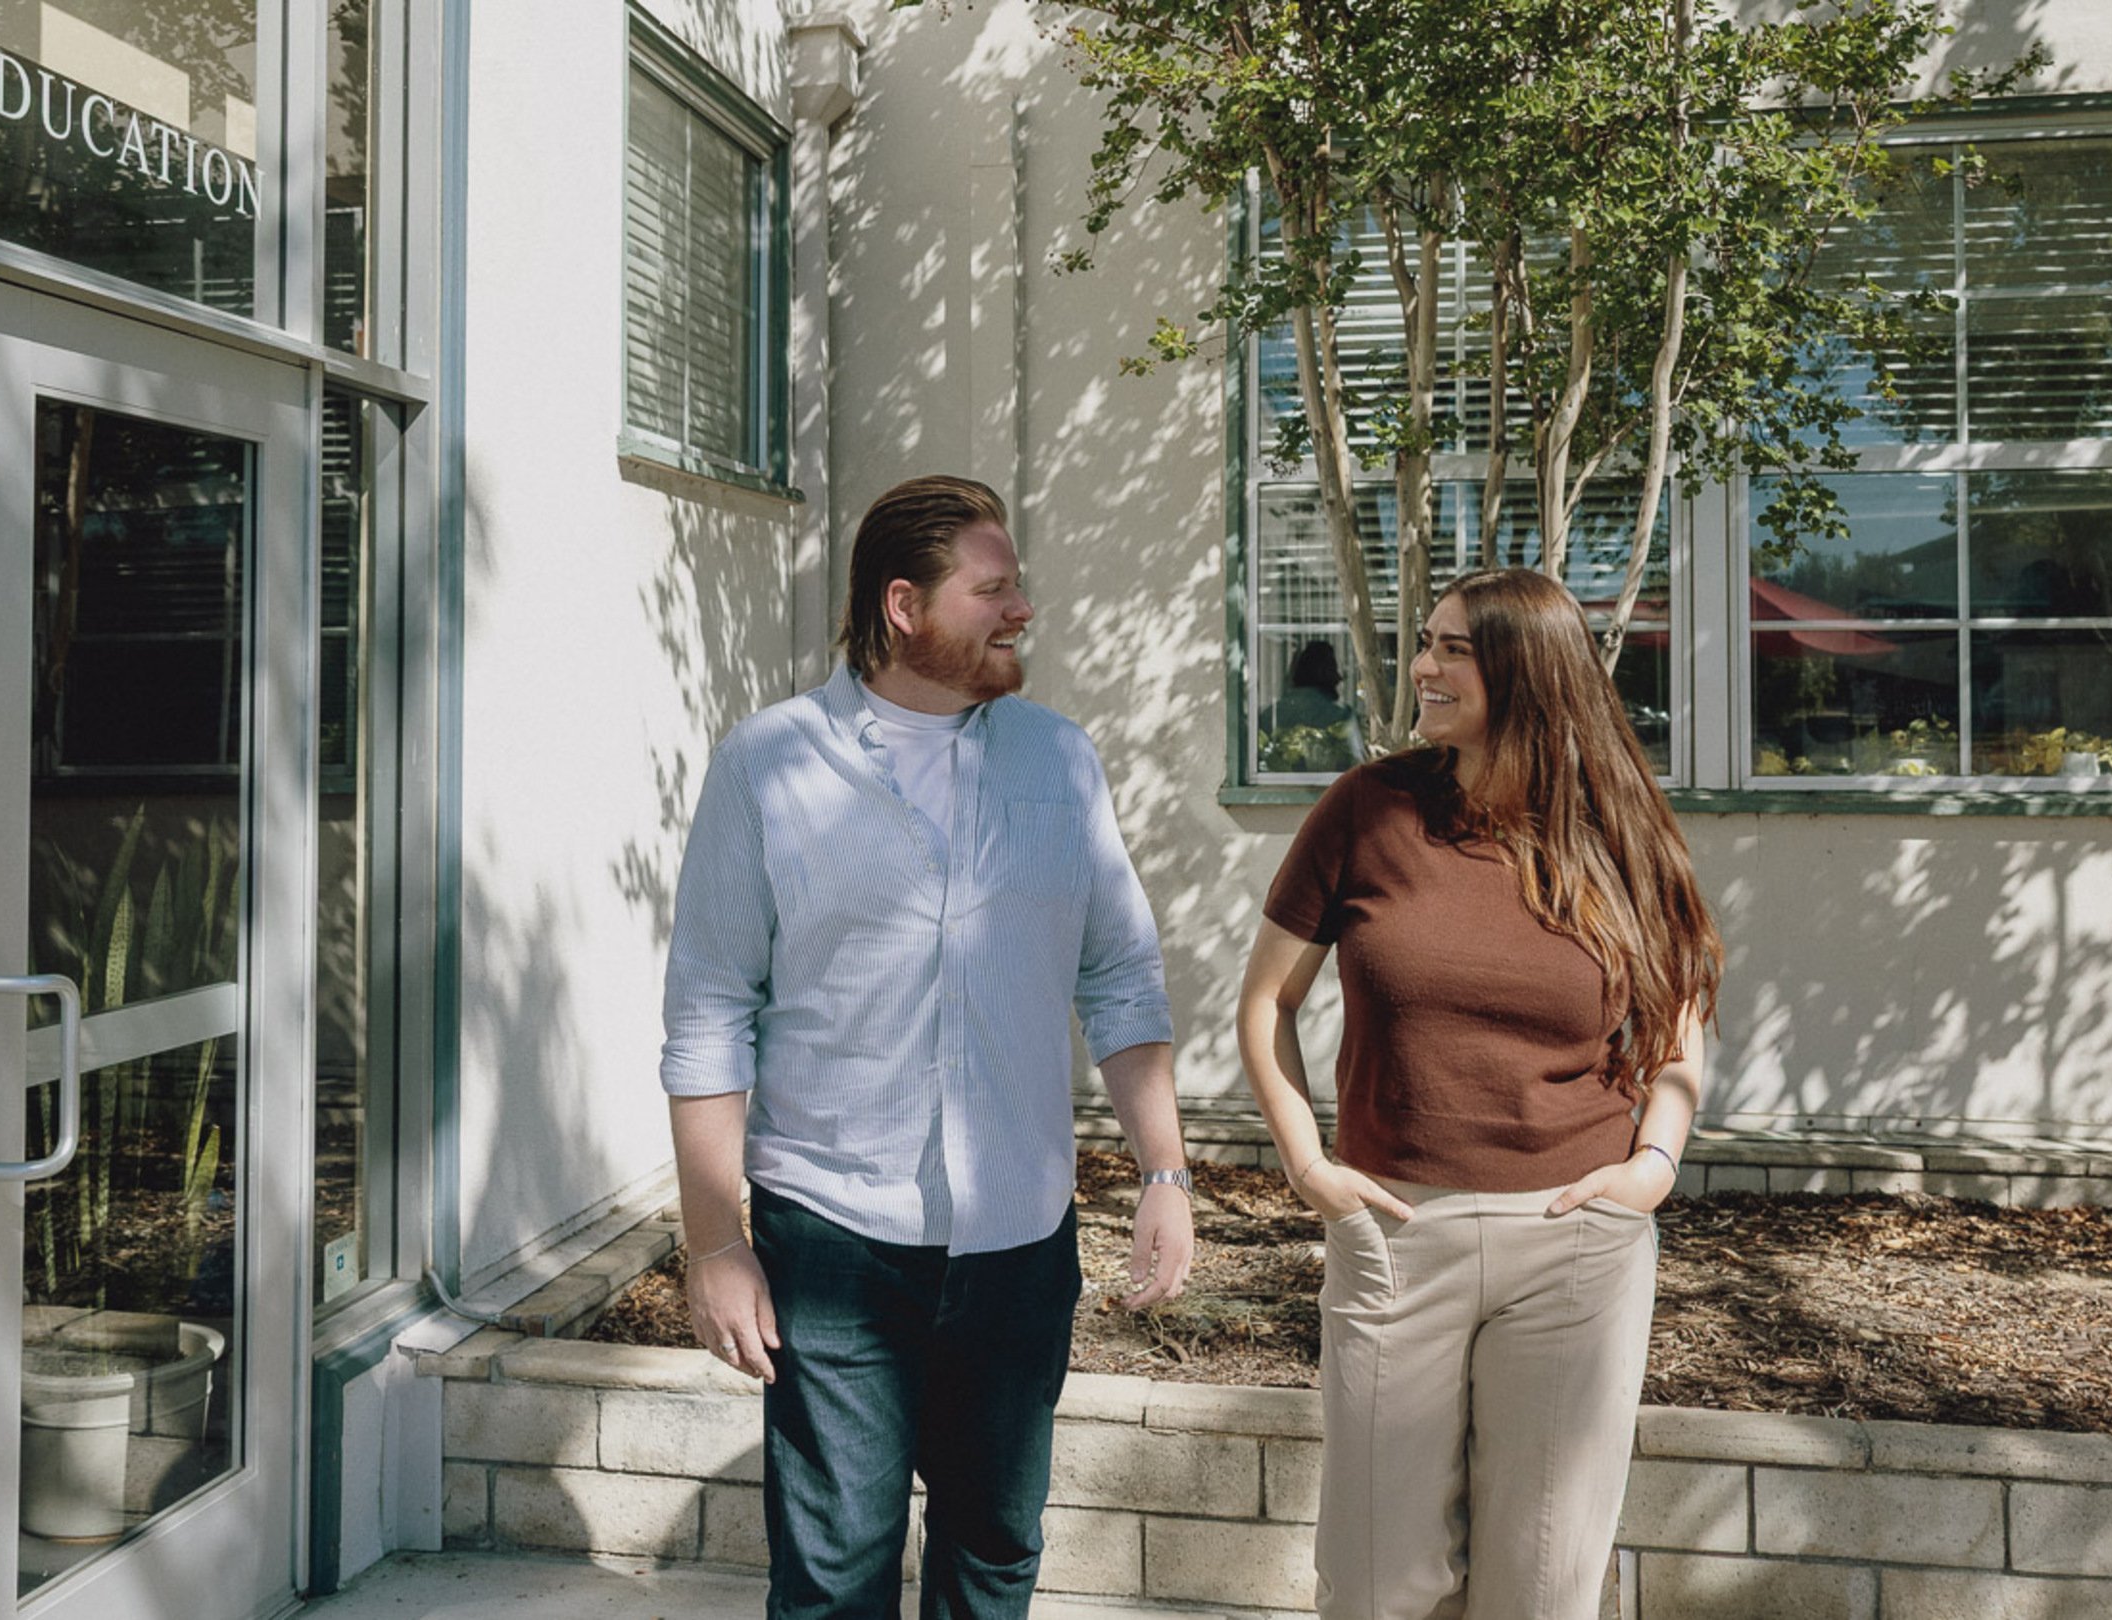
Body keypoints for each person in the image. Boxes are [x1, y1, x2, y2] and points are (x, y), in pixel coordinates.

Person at [660, 474, 1196, 1620]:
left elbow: (1119, 974)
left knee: (997, 1550)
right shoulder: (768, 763)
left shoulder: (1060, 761)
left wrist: (1165, 1173)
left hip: (1019, 1236)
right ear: (904, 606)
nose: (1021, 609)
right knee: (837, 1575)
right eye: (992, 589)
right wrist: (715, 1245)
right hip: (833, 1235)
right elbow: (709, 1006)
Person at [1235, 568, 1723, 1620]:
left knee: (1542, 1589)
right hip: (1396, 1233)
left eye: (1454, 649)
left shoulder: (1617, 831)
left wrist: (1653, 1167)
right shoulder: (1370, 811)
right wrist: (1309, 1165)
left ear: (1527, 671)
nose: (1424, 666)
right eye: (1427, 640)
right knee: (1374, 1585)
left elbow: (1679, 1034)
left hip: (1576, 1243)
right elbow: (1265, 1006)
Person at [1258, 640, 1363, 773]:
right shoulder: (1343, 717)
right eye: (1335, 670)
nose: (1340, 678)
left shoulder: (1270, 715)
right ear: (1326, 674)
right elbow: (1359, 763)